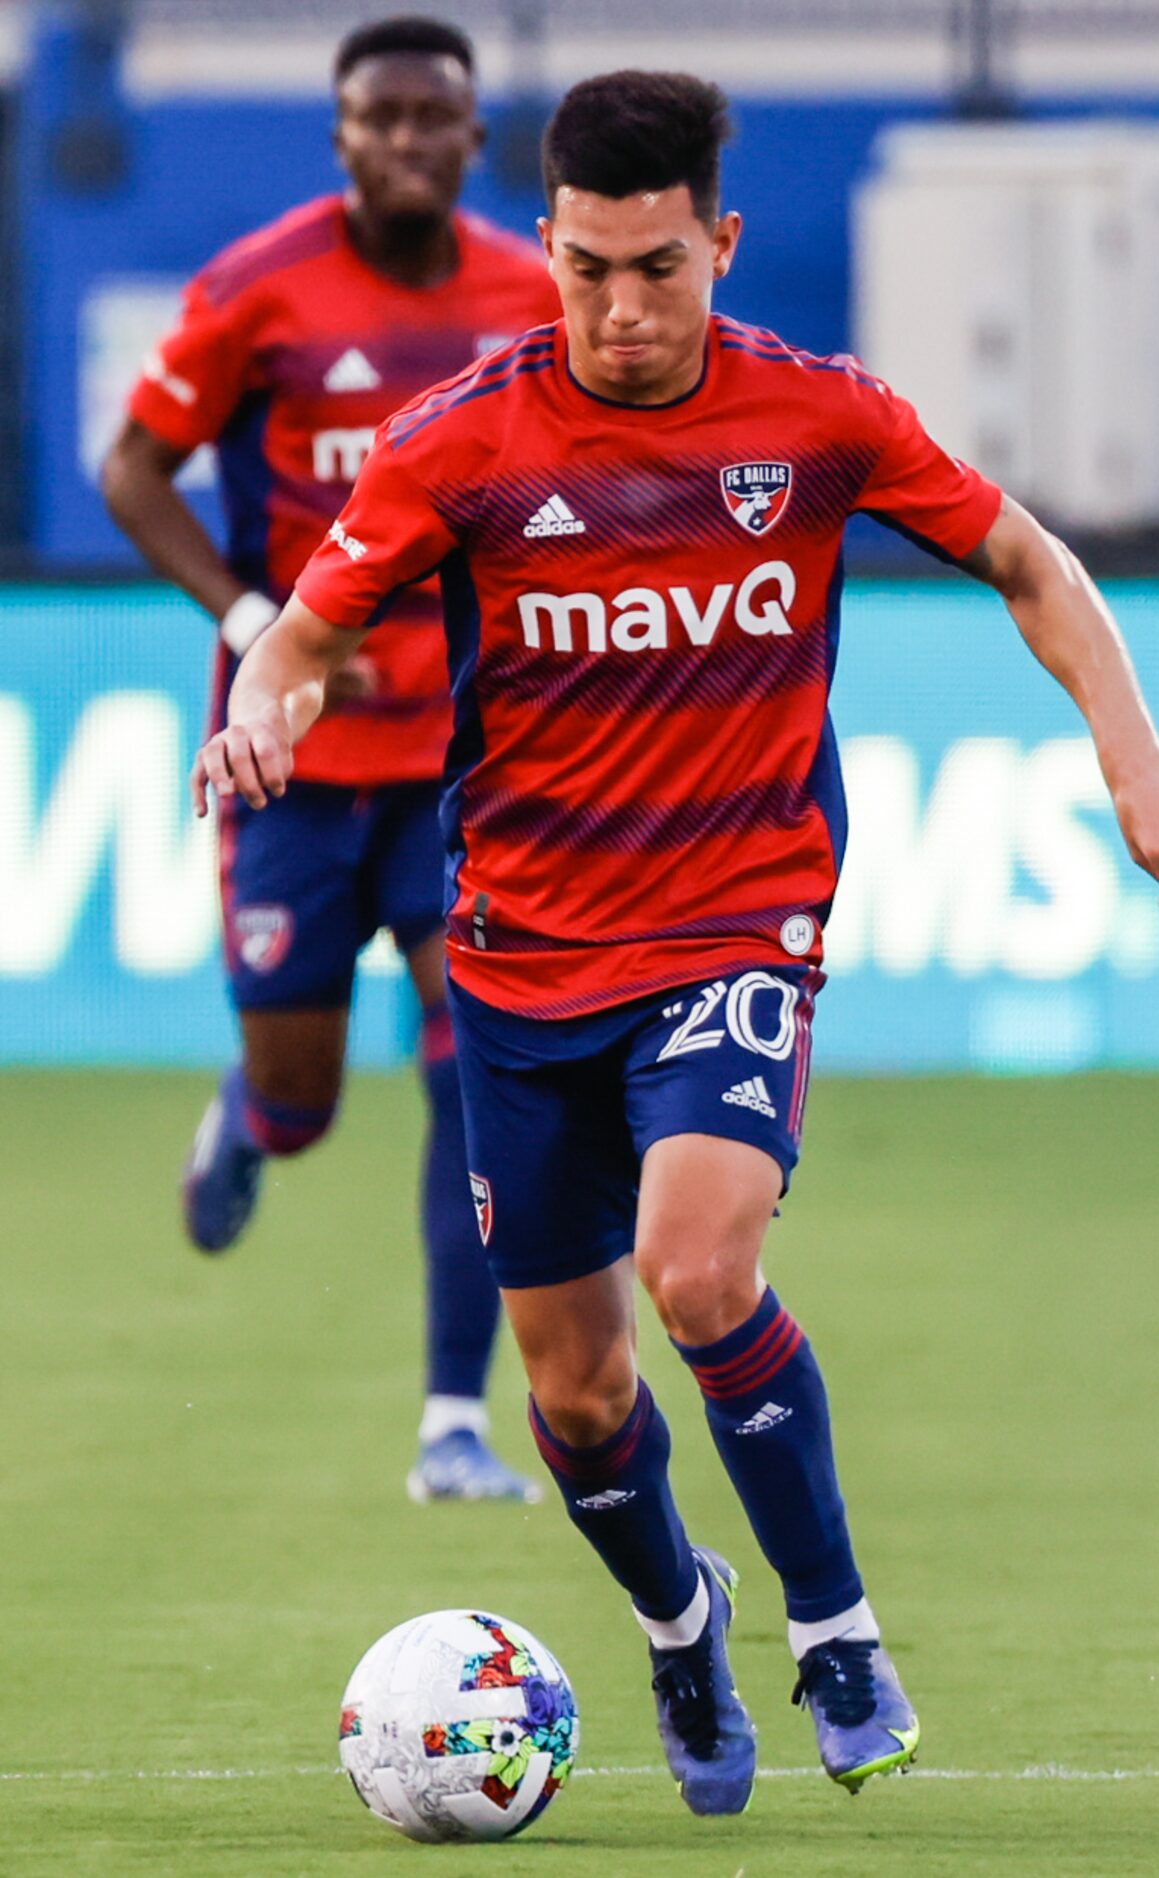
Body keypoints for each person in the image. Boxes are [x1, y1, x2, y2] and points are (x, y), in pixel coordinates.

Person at [188, 70, 1159, 1811]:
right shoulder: (469, 440)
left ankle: (836, 1625)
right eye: (586, 268)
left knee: (702, 1271)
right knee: (579, 1394)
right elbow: (308, 624)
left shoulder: (815, 418)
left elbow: (1029, 563)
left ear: (721, 243)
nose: (620, 309)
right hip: (522, 962)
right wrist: (265, 710)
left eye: (657, 267)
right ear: (550, 249)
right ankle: (681, 1619)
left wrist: (1136, 755)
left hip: (734, 921)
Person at [101, 16, 560, 1504]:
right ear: (342, 135)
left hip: (463, 761)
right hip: (287, 756)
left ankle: (452, 1421)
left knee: (473, 1070)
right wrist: (259, 623)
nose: (414, 140)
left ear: (477, 139)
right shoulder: (259, 289)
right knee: (306, 1101)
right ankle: (253, 1114)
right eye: (386, 117)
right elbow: (130, 468)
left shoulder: (526, 296)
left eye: (442, 118)